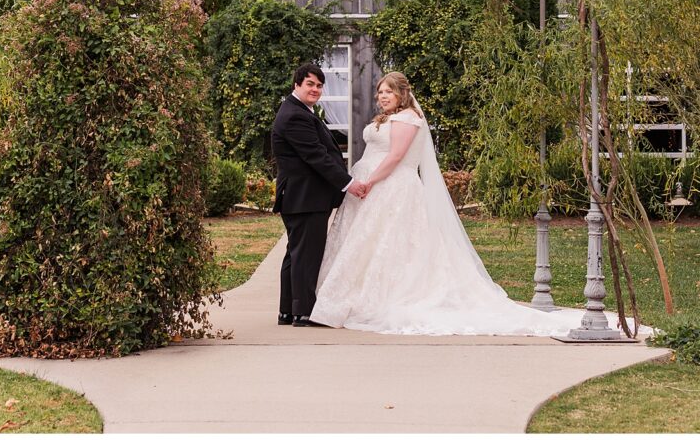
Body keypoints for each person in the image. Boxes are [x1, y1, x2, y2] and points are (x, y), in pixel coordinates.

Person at [310, 72, 637, 337]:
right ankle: (347, 297)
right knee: (368, 244)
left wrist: (369, 181)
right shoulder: (388, 117)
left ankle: (378, 297)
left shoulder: (408, 119)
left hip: (391, 187)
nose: (382, 96)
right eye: (380, 92)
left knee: (391, 244)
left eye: (388, 92)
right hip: (372, 189)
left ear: (402, 95)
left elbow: (396, 157)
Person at [271, 63, 367, 327]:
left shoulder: (300, 111)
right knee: (305, 255)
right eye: (310, 84)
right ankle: (303, 313)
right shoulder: (295, 115)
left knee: (296, 253)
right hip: (305, 197)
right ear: (297, 85)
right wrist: (348, 183)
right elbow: (316, 156)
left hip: (302, 196)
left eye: (319, 85)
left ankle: (288, 311)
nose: (316, 89)